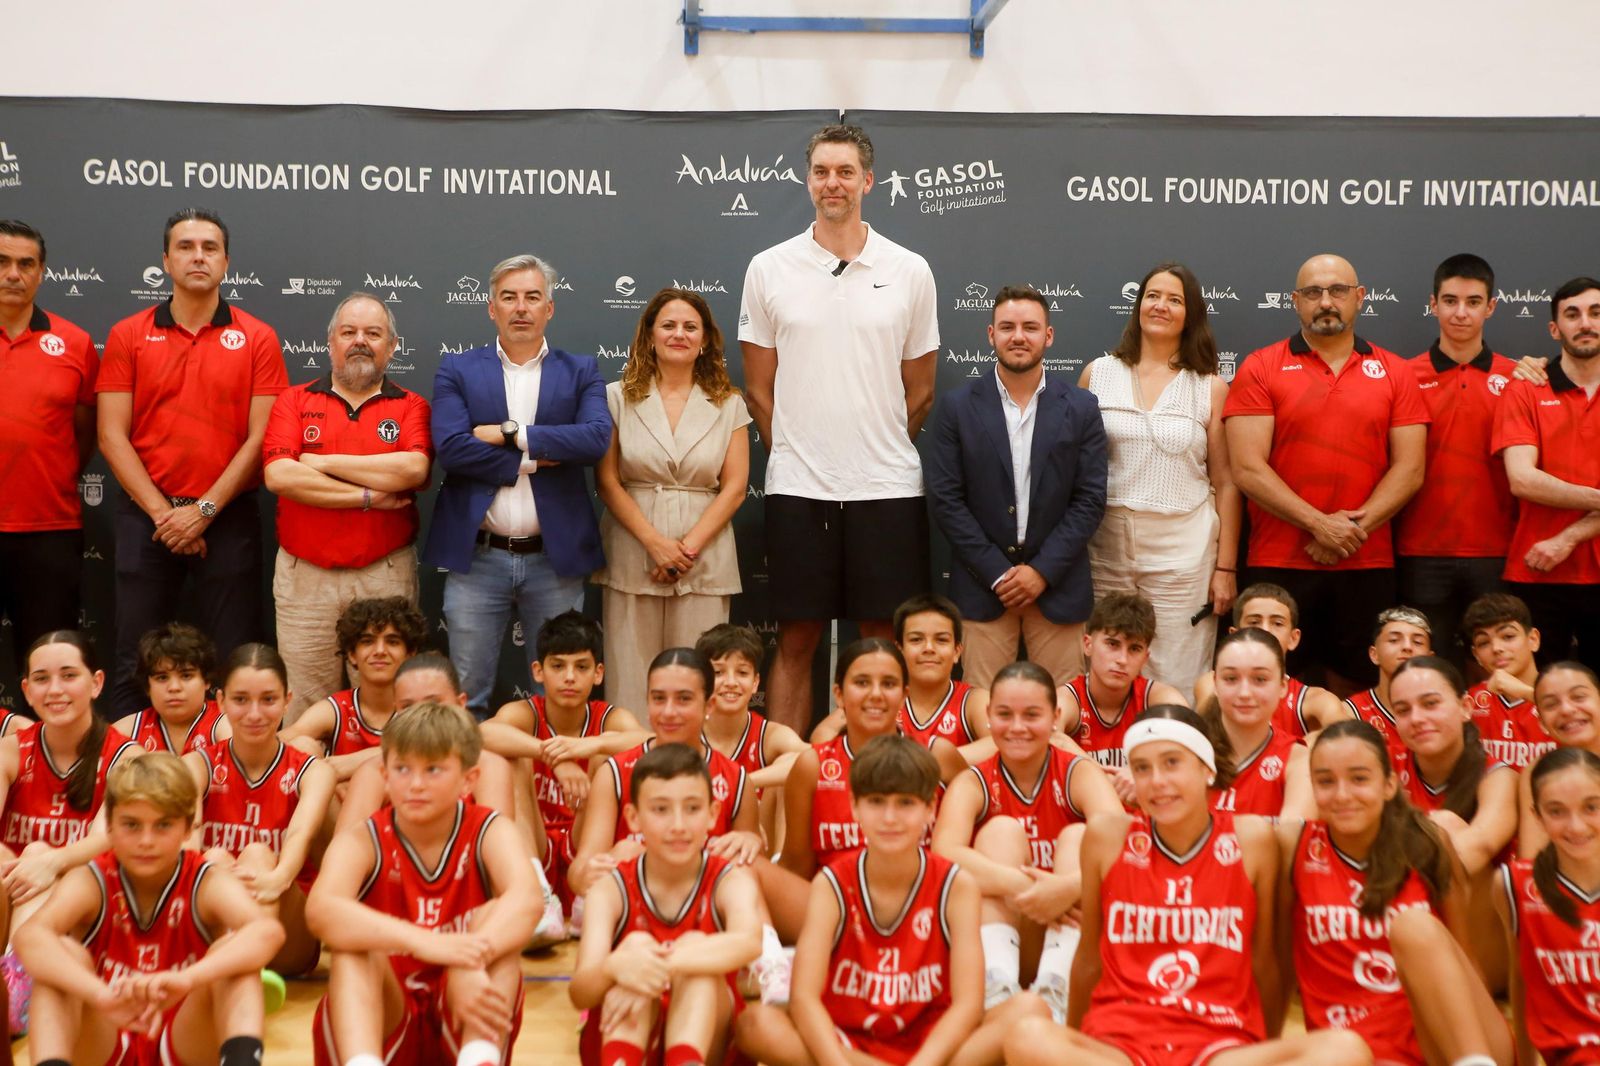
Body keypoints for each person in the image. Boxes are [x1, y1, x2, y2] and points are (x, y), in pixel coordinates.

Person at [1003, 706, 1370, 1066]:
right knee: (1027, 1035)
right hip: (1120, 1043)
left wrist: (1261, 1049)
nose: (1157, 781)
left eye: (1171, 763)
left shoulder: (1251, 839)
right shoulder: (1107, 837)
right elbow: (1088, 960)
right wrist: (1078, 1046)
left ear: (1207, 769)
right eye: (1142, 768)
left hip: (1218, 1044)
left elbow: (1265, 963)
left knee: (1345, 1049)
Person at [739, 123, 939, 736]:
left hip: (887, 488)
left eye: (846, 172)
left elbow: (921, 391)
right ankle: (789, 776)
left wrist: (873, 447)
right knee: (796, 638)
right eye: (822, 171)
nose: (834, 183)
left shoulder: (910, 270)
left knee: (880, 639)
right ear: (808, 181)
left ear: (868, 181)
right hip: (799, 488)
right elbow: (759, 391)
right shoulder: (768, 268)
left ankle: (879, 774)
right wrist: (800, 452)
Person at [739, 735, 1035, 1066]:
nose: (890, 817)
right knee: (756, 1024)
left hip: (931, 1042)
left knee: (1030, 1009)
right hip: (851, 1040)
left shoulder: (956, 885)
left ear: (930, 809)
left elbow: (968, 1003)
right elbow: (805, 999)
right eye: (877, 802)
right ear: (855, 807)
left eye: (905, 803)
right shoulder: (832, 884)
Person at [97, 208, 288, 716]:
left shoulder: (258, 337)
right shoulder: (128, 334)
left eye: (209, 248)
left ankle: (225, 758)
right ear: (166, 260)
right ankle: (129, 761)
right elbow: (111, 435)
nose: (198, 256)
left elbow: (261, 439)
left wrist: (202, 512)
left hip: (227, 517)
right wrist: (166, 515)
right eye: (185, 247)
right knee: (134, 657)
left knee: (235, 659)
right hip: (146, 517)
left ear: (226, 261)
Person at [1224, 253, 1429, 693]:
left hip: (1366, 562)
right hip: (1277, 561)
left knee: (1359, 690)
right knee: (1268, 686)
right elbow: (1246, 468)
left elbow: (1411, 469)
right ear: (1295, 301)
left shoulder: (1395, 371)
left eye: (1337, 290)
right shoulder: (1261, 366)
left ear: (1359, 297)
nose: (1326, 302)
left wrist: (1349, 531)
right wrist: (1319, 524)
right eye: (1313, 292)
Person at [425, 253, 611, 716]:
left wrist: (511, 433)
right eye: (509, 297)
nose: (521, 307)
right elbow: (453, 448)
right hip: (478, 559)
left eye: (532, 297)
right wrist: (532, 459)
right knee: (467, 696)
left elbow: (593, 439)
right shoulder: (457, 369)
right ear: (492, 308)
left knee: (561, 698)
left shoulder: (581, 370)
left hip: (555, 560)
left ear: (550, 308)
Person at [307, 700, 541, 1066]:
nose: (415, 784)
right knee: (354, 947)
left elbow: (528, 900)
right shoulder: (363, 839)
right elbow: (321, 910)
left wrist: (467, 962)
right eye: (402, 769)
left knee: (497, 927)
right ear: (385, 775)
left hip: (460, 1005)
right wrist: (427, 943)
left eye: (433, 769)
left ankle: (478, 1056)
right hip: (386, 1010)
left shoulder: (491, 829)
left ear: (468, 780)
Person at [13, 753, 282, 1066]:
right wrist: (100, 994)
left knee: (234, 958)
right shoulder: (91, 880)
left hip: (184, 1037)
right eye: (132, 825)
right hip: (107, 1034)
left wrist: (188, 979)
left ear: (187, 828)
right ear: (109, 827)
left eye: (163, 825)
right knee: (63, 956)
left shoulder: (206, 880)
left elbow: (267, 932)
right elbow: (29, 937)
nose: (146, 840)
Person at [1281, 721, 1510, 1065]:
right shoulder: (1293, 846)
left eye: (1359, 779)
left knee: (1414, 926)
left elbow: (1464, 957)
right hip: (1351, 1048)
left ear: (1389, 784)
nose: (1342, 795)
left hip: (1442, 1042)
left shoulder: (1427, 842)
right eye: (1326, 781)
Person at [926, 285, 1107, 689]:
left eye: (1030, 327)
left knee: (1065, 709)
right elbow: (946, 500)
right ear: (991, 335)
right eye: (1007, 327)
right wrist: (997, 573)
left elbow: (1090, 499)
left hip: (1059, 586)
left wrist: (1041, 572)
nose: (1018, 336)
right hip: (983, 589)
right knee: (981, 707)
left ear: (1049, 335)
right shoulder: (957, 407)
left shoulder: (1081, 407)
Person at [263, 292, 432, 719]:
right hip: (306, 579)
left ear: (392, 346)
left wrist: (321, 462)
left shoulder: (411, 405)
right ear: (330, 342)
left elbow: (412, 469)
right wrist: (368, 497)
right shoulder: (294, 400)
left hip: (384, 575)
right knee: (304, 707)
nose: (360, 341)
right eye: (349, 332)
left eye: (373, 333)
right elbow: (280, 476)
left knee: (388, 703)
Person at [1080, 263, 1241, 698]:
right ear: (1138, 305)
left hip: (1183, 549)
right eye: (1152, 296)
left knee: (1177, 671)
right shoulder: (1098, 373)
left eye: (1174, 299)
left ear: (1191, 314)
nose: (1161, 306)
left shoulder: (1209, 386)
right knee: (1108, 668)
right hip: (1106, 544)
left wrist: (1226, 568)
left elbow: (1227, 483)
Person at [931, 661, 1120, 1020]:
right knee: (1000, 833)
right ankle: (996, 990)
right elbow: (944, 854)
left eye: (1031, 715)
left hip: (1075, 939)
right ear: (989, 716)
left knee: (1080, 837)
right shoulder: (974, 781)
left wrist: (1068, 888)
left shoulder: (1078, 772)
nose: (1017, 727)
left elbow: (1125, 850)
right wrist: (1030, 887)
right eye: (1005, 714)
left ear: (1055, 717)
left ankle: (1058, 990)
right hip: (1011, 926)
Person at [594, 287, 751, 713]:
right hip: (633, 551)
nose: (679, 334)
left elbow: (735, 487)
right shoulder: (615, 397)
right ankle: (630, 756)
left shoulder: (729, 403)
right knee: (630, 680)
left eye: (690, 327)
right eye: (668, 325)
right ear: (649, 336)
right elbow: (607, 480)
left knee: (698, 679)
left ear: (705, 340)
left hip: (705, 557)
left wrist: (686, 550)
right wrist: (656, 545)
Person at [570, 742, 765, 1066]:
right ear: (633, 818)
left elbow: (749, 942)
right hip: (628, 1028)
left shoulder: (731, 879)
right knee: (633, 950)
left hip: (709, 1039)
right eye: (661, 809)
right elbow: (581, 992)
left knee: (690, 955)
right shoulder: (610, 887)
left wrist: (657, 965)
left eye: (692, 808)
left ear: (713, 814)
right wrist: (615, 967)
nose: (678, 825)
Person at [479, 613, 648, 920]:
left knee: (608, 754)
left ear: (598, 673)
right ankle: (533, 889)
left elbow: (652, 741)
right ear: (538, 671)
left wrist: (591, 745)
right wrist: (551, 755)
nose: (569, 677)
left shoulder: (609, 717)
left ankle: (590, 893)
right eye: (558, 666)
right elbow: (480, 734)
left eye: (581, 667)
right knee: (511, 757)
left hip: (586, 845)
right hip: (533, 843)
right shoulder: (526, 713)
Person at [186, 642, 335, 977]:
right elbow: (188, 848)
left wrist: (274, 878)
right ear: (221, 702)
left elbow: (300, 836)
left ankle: (243, 973)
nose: (254, 714)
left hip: (287, 928)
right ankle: (241, 975)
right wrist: (224, 883)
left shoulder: (313, 771)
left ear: (287, 700)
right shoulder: (196, 765)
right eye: (241, 700)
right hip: (215, 917)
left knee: (257, 854)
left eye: (268, 699)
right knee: (213, 858)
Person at [1397, 255, 1517, 661]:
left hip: (1497, 551)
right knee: (1429, 669)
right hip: (1420, 551)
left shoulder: (1519, 379)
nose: (1460, 312)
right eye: (1450, 301)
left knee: (1498, 668)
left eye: (1473, 301)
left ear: (1491, 307)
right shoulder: (1403, 376)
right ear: (1433, 304)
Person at [568, 648, 759, 897]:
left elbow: (754, 877)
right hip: (632, 908)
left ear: (709, 704)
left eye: (683, 699)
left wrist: (751, 844)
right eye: (658, 698)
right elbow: (579, 871)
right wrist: (597, 870)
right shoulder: (614, 772)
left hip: (706, 910)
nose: (669, 711)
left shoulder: (736, 779)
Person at [780, 638, 968, 884]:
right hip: (835, 901)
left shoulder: (938, 755)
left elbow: (972, 845)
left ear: (904, 695)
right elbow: (796, 867)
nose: (876, 694)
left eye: (888, 684)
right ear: (839, 694)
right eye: (862, 683)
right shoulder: (812, 765)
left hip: (923, 899)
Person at [1388, 655, 1519, 990]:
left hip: (1490, 949)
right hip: (1413, 923)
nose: (1417, 718)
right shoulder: (1386, 768)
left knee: (1443, 827)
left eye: (1430, 704)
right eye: (1403, 710)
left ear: (1465, 707)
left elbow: (1479, 846)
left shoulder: (1497, 775)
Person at [0, 219, 97, 669]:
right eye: (2, 262)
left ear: (41, 272)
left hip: (49, 531)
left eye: (25, 264)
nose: (13, 274)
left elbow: (85, 432)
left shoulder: (75, 343)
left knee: (49, 666)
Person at [0, 632, 139, 941]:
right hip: (12, 893)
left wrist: (50, 862)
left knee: (40, 857)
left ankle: (23, 968)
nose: (55, 690)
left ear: (96, 683)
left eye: (69, 676)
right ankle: (21, 967)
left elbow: (106, 838)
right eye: (41, 679)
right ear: (27, 691)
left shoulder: (127, 757)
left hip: (91, 899)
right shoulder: (9, 751)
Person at [1492, 276, 1600, 673]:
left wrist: (1569, 537)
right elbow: (1523, 479)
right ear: (1555, 329)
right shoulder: (1525, 390)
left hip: (1563, 553)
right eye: (1572, 314)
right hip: (1538, 571)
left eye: (1596, 313)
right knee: (1538, 693)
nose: (1585, 323)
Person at [1498, 747, 1600, 1062]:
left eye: (1591, 807)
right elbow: (1521, 977)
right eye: (1557, 811)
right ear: (1537, 816)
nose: (1576, 826)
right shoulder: (1515, 884)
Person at [811, 594, 993, 749]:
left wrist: (918, 761)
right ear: (899, 650)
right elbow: (822, 735)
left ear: (957, 652)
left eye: (941, 640)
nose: (929, 648)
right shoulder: (885, 696)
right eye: (916, 640)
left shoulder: (972, 700)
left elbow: (997, 744)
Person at [281, 596, 426, 782]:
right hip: (338, 800)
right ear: (351, 654)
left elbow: (449, 746)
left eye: (392, 642)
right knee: (302, 745)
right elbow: (276, 745)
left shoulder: (421, 709)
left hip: (403, 798)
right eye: (368, 641)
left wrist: (348, 764)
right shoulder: (337, 708)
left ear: (410, 654)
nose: (380, 651)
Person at [1192, 582, 1348, 738]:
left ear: (1293, 638)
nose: (1265, 630)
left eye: (1277, 623)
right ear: (1235, 635)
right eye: (1254, 622)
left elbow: (1347, 738)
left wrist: (1300, 749)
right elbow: (1203, 736)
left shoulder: (1315, 700)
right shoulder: (1212, 683)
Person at [1059, 592, 1188, 781]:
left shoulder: (1159, 698)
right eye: (1112, 644)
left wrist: (1139, 774)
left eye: (1134, 649)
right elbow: (1049, 735)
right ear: (1088, 645)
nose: (1122, 659)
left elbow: (1190, 746)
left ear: (1145, 658)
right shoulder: (1069, 698)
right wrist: (1106, 778)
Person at [1205, 628, 1313, 821]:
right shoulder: (1188, 750)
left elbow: (1293, 835)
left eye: (1260, 679)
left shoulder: (1298, 759)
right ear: (1215, 683)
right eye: (1231, 679)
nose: (1244, 693)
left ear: (1282, 686)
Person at [1462, 593, 1553, 770]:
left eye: (1508, 636)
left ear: (1533, 640)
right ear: (1476, 655)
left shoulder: (1566, 690)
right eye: (1484, 643)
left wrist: (1526, 693)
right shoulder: (1470, 702)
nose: (1496, 648)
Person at [1519, 661, 1600, 858]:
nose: (1566, 709)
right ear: (1542, 723)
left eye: (1578, 697)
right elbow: (1532, 857)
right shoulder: (1538, 771)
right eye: (1551, 704)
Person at [112, 622, 228, 756]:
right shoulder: (125, 732)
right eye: (162, 678)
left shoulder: (226, 723)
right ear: (147, 686)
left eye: (186, 676)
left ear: (206, 680)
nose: (174, 687)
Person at [1343, 607, 1433, 760]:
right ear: (1374, 654)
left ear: (1430, 658)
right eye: (1394, 640)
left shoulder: (1443, 709)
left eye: (1417, 642)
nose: (1407, 647)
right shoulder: (1349, 713)